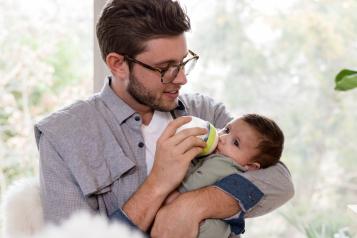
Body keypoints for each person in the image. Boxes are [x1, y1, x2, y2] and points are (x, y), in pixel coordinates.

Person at [34, 0, 294, 237]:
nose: (182, 78)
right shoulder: (61, 136)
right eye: (165, 68)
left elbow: (279, 179)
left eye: (183, 62)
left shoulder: (205, 112)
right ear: (117, 64)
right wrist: (158, 183)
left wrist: (192, 205)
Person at [165, 114, 284, 237]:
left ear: (251, 166)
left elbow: (189, 187)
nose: (222, 138)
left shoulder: (222, 164)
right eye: (227, 130)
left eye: (235, 143)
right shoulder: (233, 168)